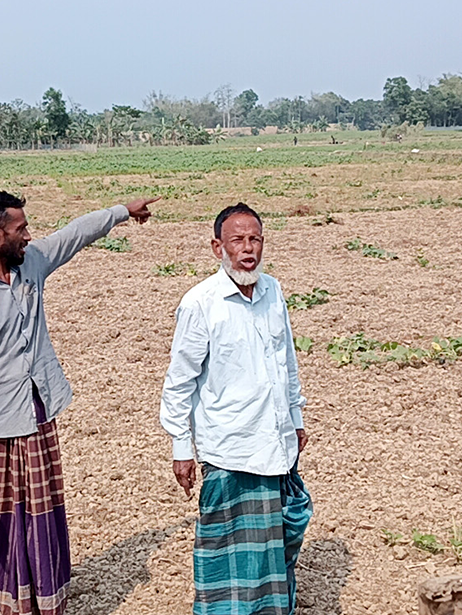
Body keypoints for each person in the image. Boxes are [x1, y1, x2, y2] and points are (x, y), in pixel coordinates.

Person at [0, 191, 158, 615]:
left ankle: (39, 598)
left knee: (41, 512)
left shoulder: (31, 262)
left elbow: (76, 233)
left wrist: (122, 212)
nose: (28, 236)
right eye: (20, 230)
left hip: (37, 412)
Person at [160, 203, 312, 615]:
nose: (248, 249)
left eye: (255, 239)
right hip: (230, 449)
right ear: (217, 247)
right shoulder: (200, 304)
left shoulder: (272, 291)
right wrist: (181, 447)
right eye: (238, 241)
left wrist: (295, 417)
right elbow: (180, 381)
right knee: (226, 554)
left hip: (276, 442)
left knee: (285, 534)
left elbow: (286, 360)